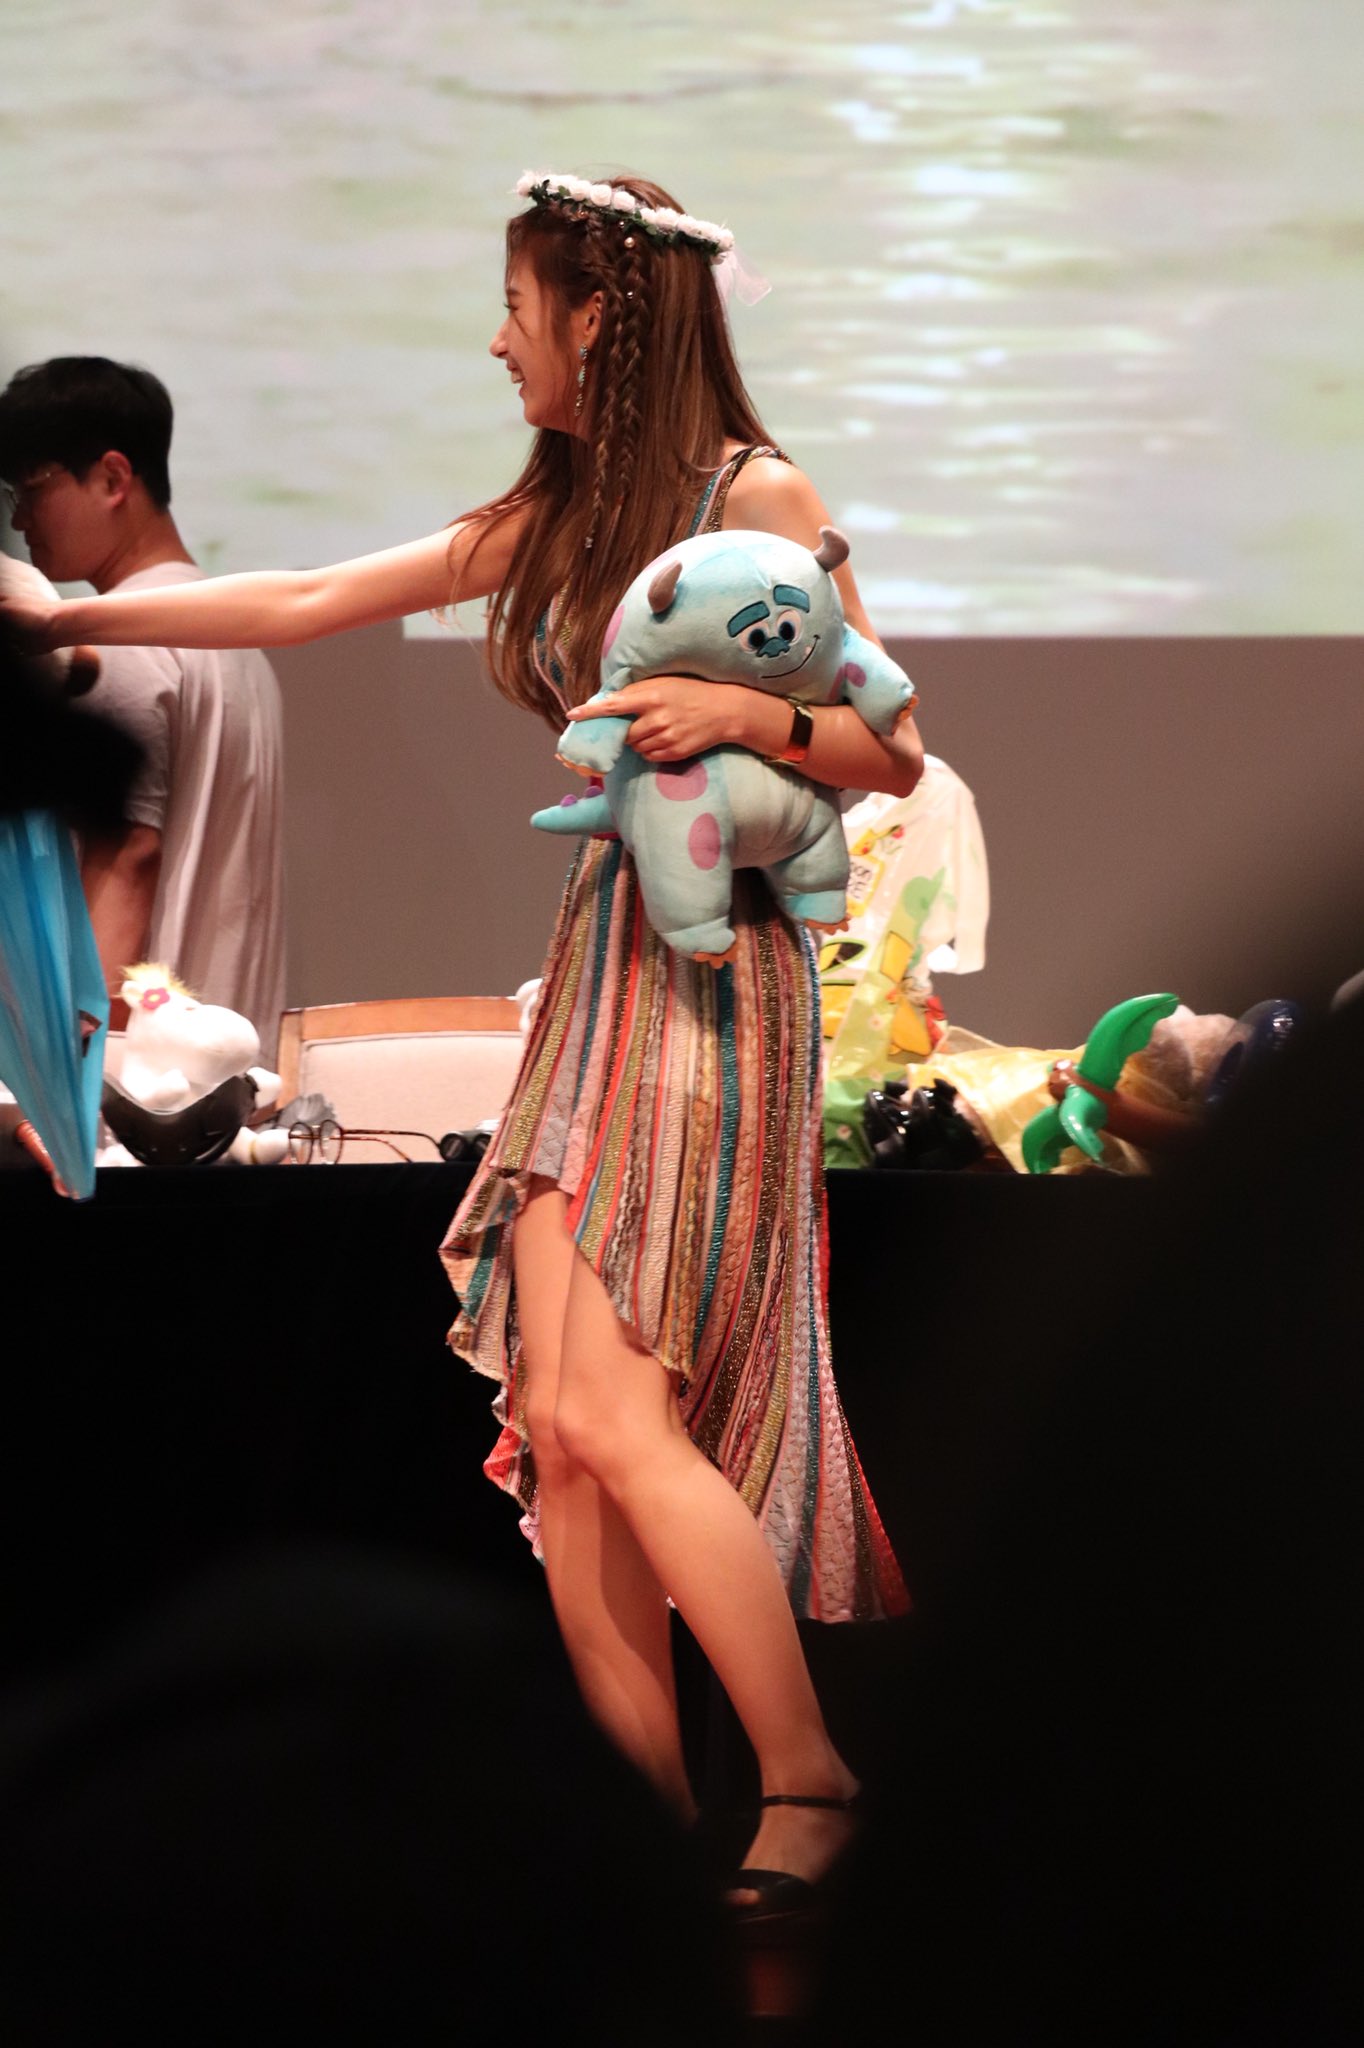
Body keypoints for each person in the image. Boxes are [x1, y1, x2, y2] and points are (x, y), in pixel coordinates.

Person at [3, 172, 924, 1915]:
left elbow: (888, 744)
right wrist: (65, 616)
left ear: (601, 316)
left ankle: (813, 1781)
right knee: (558, 1426)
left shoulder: (755, 494)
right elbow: (307, 596)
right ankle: (642, 1836)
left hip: (712, 974)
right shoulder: (559, 509)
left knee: (621, 1413)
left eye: (519, 307)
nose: (500, 342)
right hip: (602, 965)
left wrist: (746, 707)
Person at [0, 357, 285, 1053]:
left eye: (31, 486)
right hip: (224, 1058)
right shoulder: (237, 642)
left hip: (141, 1078)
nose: (19, 517)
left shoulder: (121, 642)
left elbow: (128, 855)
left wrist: (76, 1059)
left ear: (112, 478)